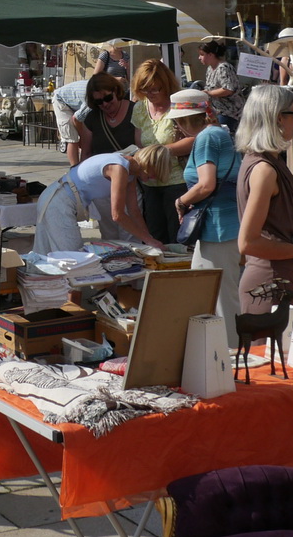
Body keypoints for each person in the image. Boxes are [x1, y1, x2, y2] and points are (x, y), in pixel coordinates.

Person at [233, 85, 293, 314]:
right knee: (272, 339)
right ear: (278, 118)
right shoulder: (265, 169)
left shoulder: (265, 160)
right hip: (268, 282)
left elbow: (268, 217)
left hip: (276, 280)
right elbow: (247, 242)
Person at [172, 91, 240, 338]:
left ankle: (230, 351)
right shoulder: (219, 133)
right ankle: (220, 349)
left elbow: (205, 184)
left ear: (185, 120)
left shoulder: (206, 138)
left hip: (218, 227)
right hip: (221, 225)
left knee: (220, 299)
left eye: (177, 121)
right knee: (212, 294)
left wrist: (181, 201)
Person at [31, 145, 169, 256]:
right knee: (73, 261)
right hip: (58, 201)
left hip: (57, 198)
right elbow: (118, 215)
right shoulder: (119, 168)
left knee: (48, 259)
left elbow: (134, 212)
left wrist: (149, 240)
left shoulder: (130, 173)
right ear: (150, 164)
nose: (154, 178)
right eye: (155, 174)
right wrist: (148, 240)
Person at [129, 60, 195, 245]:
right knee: (155, 237)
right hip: (150, 182)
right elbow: (139, 142)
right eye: (144, 90)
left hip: (178, 181)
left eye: (154, 89)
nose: (149, 94)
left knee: (178, 237)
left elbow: (195, 138)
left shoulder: (179, 105)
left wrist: (161, 152)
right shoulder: (140, 108)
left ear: (166, 85)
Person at [72, 74, 139, 161]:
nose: (105, 104)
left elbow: (141, 148)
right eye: (99, 101)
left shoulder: (136, 111)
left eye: (108, 98)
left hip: (129, 166)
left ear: (115, 91)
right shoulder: (92, 118)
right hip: (100, 167)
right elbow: (86, 153)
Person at [191, 39, 244, 132]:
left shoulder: (223, 68)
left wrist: (208, 93)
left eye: (202, 54)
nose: (199, 58)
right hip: (216, 111)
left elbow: (228, 89)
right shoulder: (210, 69)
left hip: (229, 113)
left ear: (211, 55)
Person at [49, 79, 90, 165]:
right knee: (72, 139)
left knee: (87, 139)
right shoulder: (92, 99)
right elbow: (76, 119)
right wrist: (82, 135)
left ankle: (84, 167)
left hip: (75, 102)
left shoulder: (105, 90)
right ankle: (75, 169)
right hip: (61, 100)